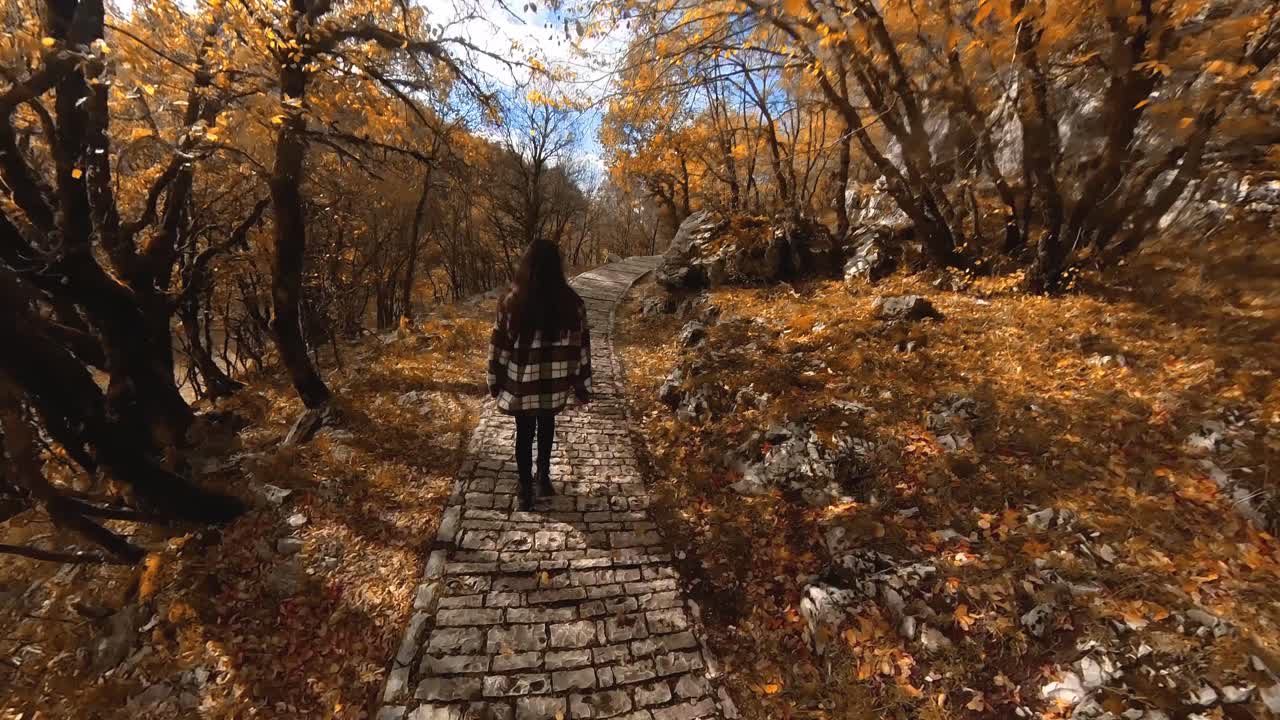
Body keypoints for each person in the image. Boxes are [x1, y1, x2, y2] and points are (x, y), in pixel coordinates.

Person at [487, 241, 592, 511]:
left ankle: (525, 490)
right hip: (555, 384)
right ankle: (543, 479)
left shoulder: (511, 302)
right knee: (546, 426)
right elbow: (582, 347)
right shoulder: (573, 303)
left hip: (523, 383)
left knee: (524, 433)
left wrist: (494, 379)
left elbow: (499, 345)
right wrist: (582, 384)